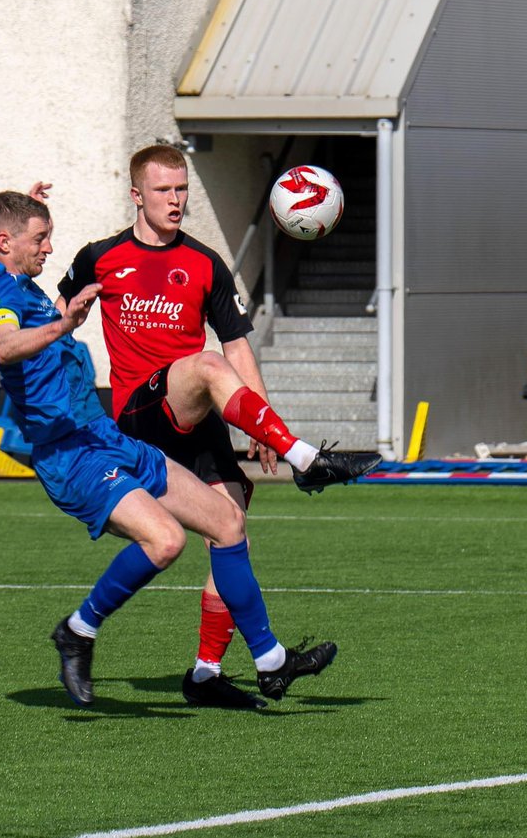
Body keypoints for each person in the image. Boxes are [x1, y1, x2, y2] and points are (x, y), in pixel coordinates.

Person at [0, 189, 337, 708]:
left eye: (48, 236)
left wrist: (24, 206)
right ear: (4, 241)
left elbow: (8, 235)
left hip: (107, 437)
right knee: (165, 541)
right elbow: (5, 345)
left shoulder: (7, 272)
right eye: (40, 238)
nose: (49, 248)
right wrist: (65, 325)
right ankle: (78, 630)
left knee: (227, 523)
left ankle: (270, 662)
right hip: (72, 457)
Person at [54, 146, 381, 709]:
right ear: (137, 195)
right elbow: (55, 316)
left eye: (182, 189)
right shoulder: (99, 257)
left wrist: (261, 422)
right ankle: (309, 461)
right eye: (163, 191)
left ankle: (209, 674)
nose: (176, 200)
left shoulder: (205, 263)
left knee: (230, 534)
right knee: (205, 364)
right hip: (141, 413)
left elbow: (238, 345)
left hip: (200, 421)